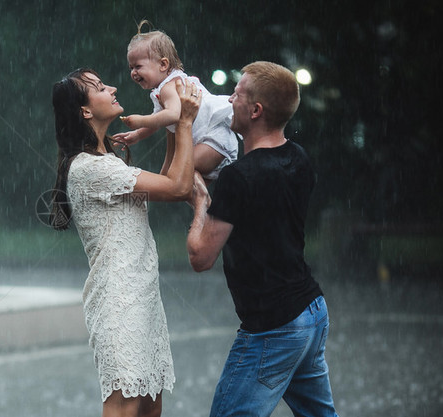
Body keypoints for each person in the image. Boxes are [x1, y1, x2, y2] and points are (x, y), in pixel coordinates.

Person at [186, 61, 339, 417]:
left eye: (237, 94)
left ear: (255, 111)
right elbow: (261, 207)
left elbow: (200, 257)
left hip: (275, 325)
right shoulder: (298, 159)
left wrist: (201, 204)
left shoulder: (239, 178)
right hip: (311, 313)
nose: (229, 99)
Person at [50, 68, 200, 417]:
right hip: (119, 298)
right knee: (125, 406)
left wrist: (171, 124)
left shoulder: (108, 161)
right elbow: (179, 188)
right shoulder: (89, 168)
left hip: (142, 295)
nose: (113, 88)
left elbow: (166, 182)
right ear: (85, 111)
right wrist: (186, 123)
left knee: (149, 404)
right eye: (101, 88)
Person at [112, 20, 240, 181]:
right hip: (212, 141)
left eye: (138, 66)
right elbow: (159, 118)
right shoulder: (168, 85)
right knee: (184, 180)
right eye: (131, 68)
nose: (133, 73)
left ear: (163, 64)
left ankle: (203, 200)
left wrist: (141, 120)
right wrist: (138, 135)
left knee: (179, 173)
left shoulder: (169, 87)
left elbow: (172, 115)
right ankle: (203, 201)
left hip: (213, 141)